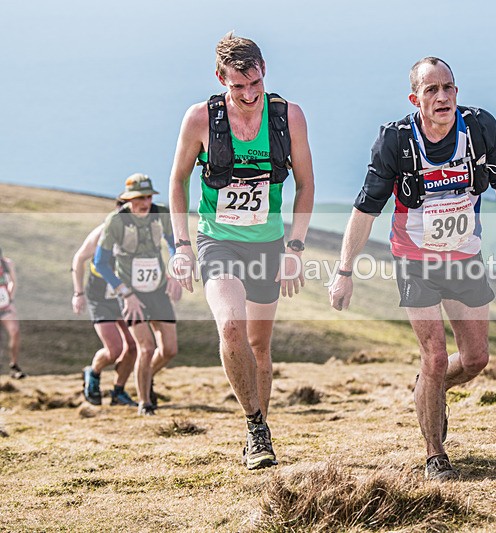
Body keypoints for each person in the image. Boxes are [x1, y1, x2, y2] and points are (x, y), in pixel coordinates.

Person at [328, 57, 496, 481]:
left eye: (448, 88)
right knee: (435, 356)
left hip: (465, 256)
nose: (441, 97)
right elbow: (365, 210)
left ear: (457, 91)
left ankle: (429, 391)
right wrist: (344, 271)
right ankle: (435, 456)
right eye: (431, 90)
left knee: (475, 359)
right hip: (415, 260)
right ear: (414, 98)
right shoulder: (396, 142)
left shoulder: (480, 130)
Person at [168, 32, 314, 470]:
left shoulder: (289, 117)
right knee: (231, 327)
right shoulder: (199, 119)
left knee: (259, 347)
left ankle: (260, 436)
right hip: (218, 240)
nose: (249, 95)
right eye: (238, 86)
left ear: (264, 69)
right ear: (220, 78)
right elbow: (177, 181)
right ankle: (255, 428)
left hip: (268, 244)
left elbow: (306, 185)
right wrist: (181, 244)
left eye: (255, 83)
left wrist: (294, 248)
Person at [94, 174, 181, 415]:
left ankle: (144, 377)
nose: (145, 202)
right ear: (128, 199)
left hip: (158, 289)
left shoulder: (161, 213)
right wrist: (125, 293)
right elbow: (100, 262)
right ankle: (145, 403)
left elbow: (174, 244)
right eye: (140, 197)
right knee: (146, 347)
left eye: (149, 196)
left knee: (170, 349)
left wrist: (175, 271)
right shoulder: (116, 221)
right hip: (131, 294)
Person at [72, 205, 138, 407]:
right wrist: (78, 293)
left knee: (133, 346)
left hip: (123, 295)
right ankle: (93, 373)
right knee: (114, 350)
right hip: (99, 297)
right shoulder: (100, 234)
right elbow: (79, 259)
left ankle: (118, 391)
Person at [0, 248, 23, 379]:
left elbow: (13, 281)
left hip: (5, 306)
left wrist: (10, 299)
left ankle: (14, 365)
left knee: (15, 331)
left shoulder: (6, 263)